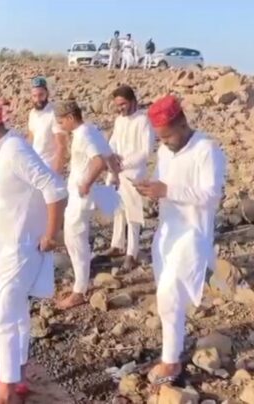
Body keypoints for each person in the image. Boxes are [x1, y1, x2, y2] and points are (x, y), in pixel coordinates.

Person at [0, 98, 67, 404]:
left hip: (20, 247)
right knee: (18, 312)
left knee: (5, 314)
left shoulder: (14, 150)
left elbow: (55, 187)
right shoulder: (3, 150)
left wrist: (51, 234)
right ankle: (15, 376)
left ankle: (7, 391)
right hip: (8, 245)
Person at [135, 95, 226, 388]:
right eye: (160, 138)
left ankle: (171, 361)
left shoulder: (206, 149)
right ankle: (170, 350)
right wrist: (149, 189)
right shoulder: (165, 151)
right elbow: (161, 183)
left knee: (170, 292)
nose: (164, 143)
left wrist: (167, 190)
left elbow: (211, 195)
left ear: (182, 124)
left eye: (167, 136)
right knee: (166, 297)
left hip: (192, 235)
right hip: (166, 233)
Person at [54, 100, 121, 310]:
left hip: (80, 196)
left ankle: (79, 291)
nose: (60, 126)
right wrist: (115, 174)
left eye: (61, 121)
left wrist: (86, 183)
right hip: (81, 195)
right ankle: (79, 283)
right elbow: (110, 156)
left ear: (70, 118)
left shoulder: (83, 135)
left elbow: (98, 161)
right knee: (76, 239)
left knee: (74, 240)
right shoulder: (91, 130)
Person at [102, 85, 155, 272]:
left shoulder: (143, 120)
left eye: (123, 104)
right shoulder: (119, 120)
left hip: (134, 173)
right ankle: (117, 245)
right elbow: (113, 143)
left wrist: (123, 164)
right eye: (118, 105)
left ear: (133, 101)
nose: (120, 108)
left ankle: (132, 253)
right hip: (117, 171)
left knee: (133, 214)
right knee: (118, 209)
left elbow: (146, 151)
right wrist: (112, 161)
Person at [27, 76, 67, 175]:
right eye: (34, 96)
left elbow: (61, 146)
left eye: (41, 95)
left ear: (47, 93)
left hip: (49, 168)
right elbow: (31, 139)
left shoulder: (54, 113)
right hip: (35, 166)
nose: (38, 99)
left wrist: (56, 173)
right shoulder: (32, 113)